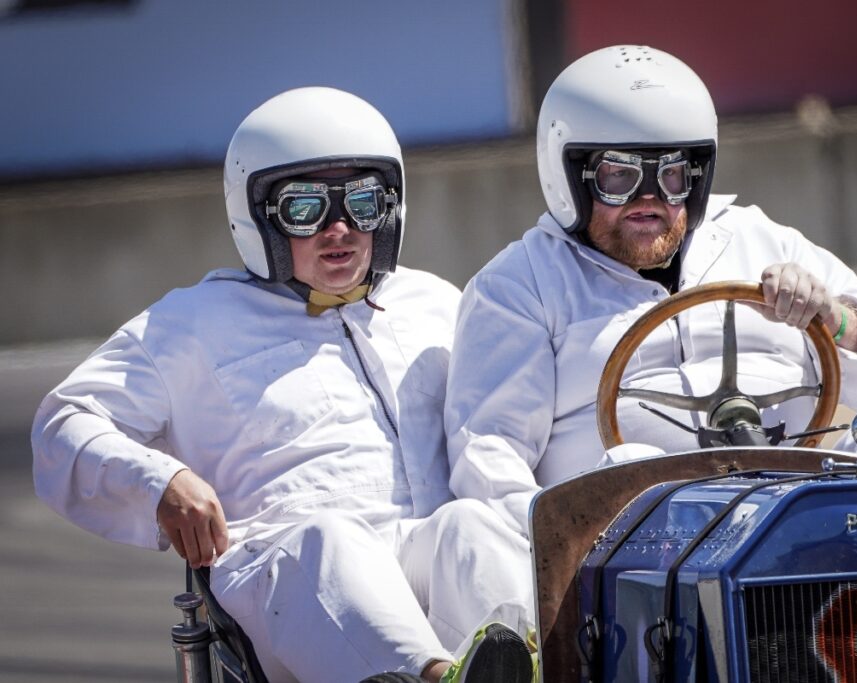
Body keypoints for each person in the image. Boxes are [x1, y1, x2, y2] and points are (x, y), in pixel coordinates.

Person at [32, 87, 534, 683]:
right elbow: (64, 422)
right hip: (284, 578)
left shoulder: (436, 304)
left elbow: (511, 422)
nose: (340, 229)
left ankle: (523, 667)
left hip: (424, 561)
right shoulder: (189, 324)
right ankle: (430, 679)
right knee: (330, 540)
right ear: (258, 217)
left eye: (364, 203)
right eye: (306, 209)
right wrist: (162, 481)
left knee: (470, 526)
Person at [445, 45, 857, 539]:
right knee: (631, 465)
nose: (648, 197)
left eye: (671, 174)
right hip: (632, 541)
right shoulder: (519, 284)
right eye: (619, 175)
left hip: (795, 496)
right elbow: (489, 462)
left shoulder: (761, 239)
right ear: (570, 176)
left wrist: (834, 317)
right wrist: (569, 552)